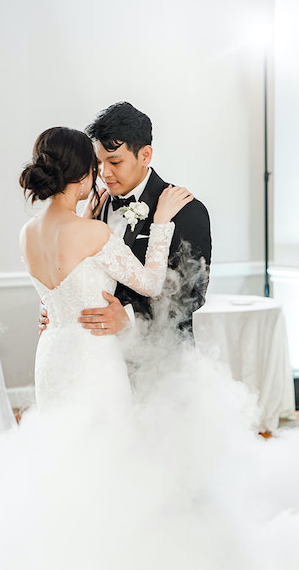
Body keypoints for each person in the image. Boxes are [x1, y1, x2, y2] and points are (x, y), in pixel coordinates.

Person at [19, 126, 193, 409]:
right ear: (83, 175)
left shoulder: (27, 232)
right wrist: (160, 223)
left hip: (51, 356)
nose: (101, 173)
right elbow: (151, 284)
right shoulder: (94, 231)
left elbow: (59, 289)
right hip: (93, 356)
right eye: (95, 166)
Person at [40, 102, 212, 340]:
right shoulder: (96, 209)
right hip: (102, 355)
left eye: (115, 162)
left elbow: (192, 294)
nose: (103, 173)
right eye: (98, 163)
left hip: (163, 362)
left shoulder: (186, 210)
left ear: (145, 155)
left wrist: (128, 318)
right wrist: (56, 309)